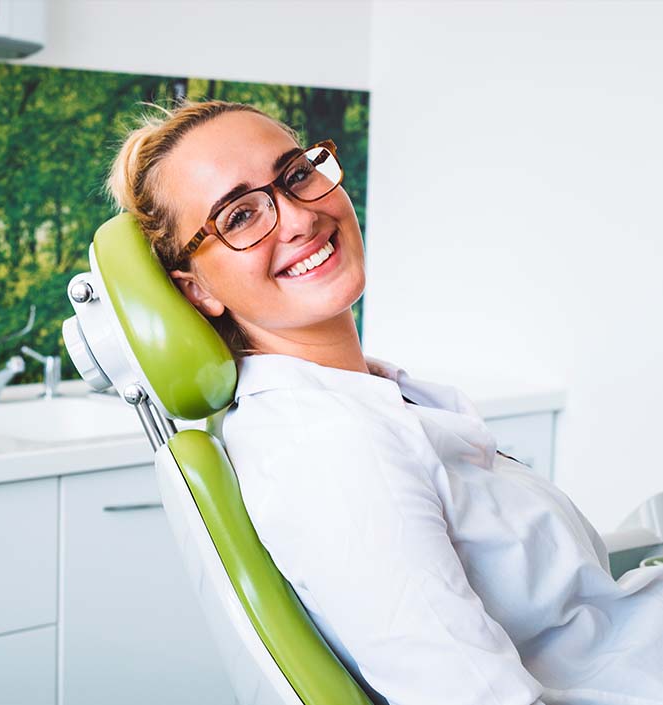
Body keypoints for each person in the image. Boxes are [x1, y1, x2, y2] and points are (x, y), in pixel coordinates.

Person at [107, 99, 663, 705]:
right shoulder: (332, 449)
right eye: (239, 216)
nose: (297, 218)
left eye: (296, 174)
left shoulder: (363, 399)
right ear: (197, 290)